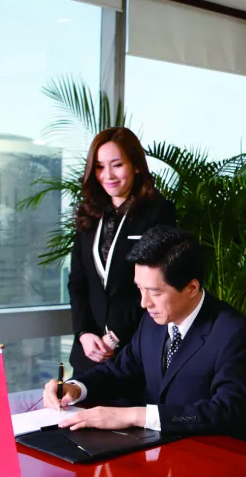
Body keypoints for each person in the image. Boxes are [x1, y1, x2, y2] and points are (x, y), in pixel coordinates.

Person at [43, 226, 246, 441]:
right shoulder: (153, 322)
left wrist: (135, 416)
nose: (144, 303)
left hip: (222, 454)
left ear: (192, 288)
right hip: (163, 447)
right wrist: (76, 388)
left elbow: (227, 411)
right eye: (139, 289)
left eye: (155, 293)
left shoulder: (235, 334)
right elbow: (119, 371)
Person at [67, 127, 176, 374]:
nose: (108, 175)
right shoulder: (89, 215)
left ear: (136, 166)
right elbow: (77, 282)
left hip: (134, 348)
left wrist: (115, 336)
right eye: (99, 166)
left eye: (117, 165)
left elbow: (156, 284)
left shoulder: (159, 212)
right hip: (89, 353)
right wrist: (84, 334)